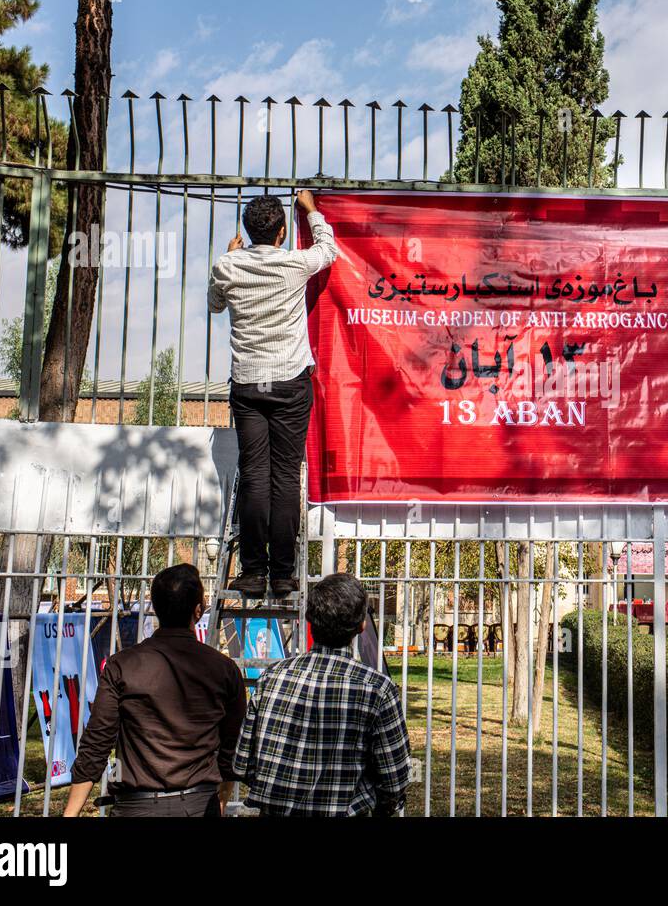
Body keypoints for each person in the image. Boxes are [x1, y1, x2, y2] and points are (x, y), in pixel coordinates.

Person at [209, 189, 338, 598]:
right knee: (284, 476)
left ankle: (251, 571)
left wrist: (230, 255)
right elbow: (328, 251)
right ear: (282, 232)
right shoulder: (293, 263)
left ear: (247, 232)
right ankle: (282, 574)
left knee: (254, 475)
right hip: (289, 382)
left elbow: (214, 305)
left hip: (248, 384)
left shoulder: (227, 266)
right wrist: (313, 211)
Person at [64, 564, 246, 817]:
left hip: (138, 807)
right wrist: (223, 795)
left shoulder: (123, 665)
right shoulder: (225, 669)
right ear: (198, 610)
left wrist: (70, 813)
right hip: (198, 805)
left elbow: (96, 743)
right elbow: (233, 745)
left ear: (156, 609)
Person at [235, 574, 410, 816]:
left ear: (310, 620)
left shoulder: (270, 678)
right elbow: (395, 781)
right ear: (362, 625)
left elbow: (243, 763)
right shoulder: (377, 689)